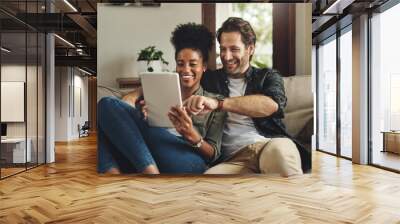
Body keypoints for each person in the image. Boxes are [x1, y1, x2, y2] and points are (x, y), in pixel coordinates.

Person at [184, 17, 311, 176]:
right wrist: (142, 90)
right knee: (209, 182)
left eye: (234, 49)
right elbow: (180, 79)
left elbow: (271, 105)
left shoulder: (268, 76)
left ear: (250, 49)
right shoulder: (210, 79)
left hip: (269, 145)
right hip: (233, 159)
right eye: (223, 49)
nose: (226, 56)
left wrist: (218, 103)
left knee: (281, 159)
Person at [97, 23, 225, 174]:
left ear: (203, 66)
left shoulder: (214, 101)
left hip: (188, 159)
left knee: (108, 103)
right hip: (151, 150)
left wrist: (191, 134)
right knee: (105, 107)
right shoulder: (158, 89)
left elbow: (213, 154)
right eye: (180, 64)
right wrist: (145, 116)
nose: (186, 70)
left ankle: (147, 173)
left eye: (193, 64)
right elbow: (138, 127)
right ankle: (115, 176)